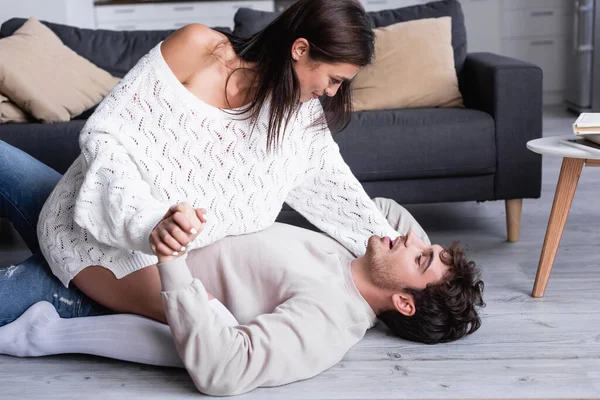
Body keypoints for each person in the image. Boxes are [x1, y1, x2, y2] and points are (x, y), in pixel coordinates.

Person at [0, 142, 484, 397]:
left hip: (95, 282)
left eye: (421, 256)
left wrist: (172, 261)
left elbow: (225, 372)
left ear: (403, 301)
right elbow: (387, 209)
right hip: (106, 219)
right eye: (425, 243)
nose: (411, 239)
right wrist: (427, 259)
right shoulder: (356, 252)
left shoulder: (329, 322)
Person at [35, 0, 407, 324]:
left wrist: (401, 254)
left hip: (162, 255)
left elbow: (339, 195)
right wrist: (149, 223)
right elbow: (104, 137)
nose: (331, 92)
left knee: (212, 324)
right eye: (334, 78)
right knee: (212, 327)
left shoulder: (301, 120)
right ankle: (70, 308)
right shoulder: (199, 48)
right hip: (88, 234)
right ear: (300, 49)